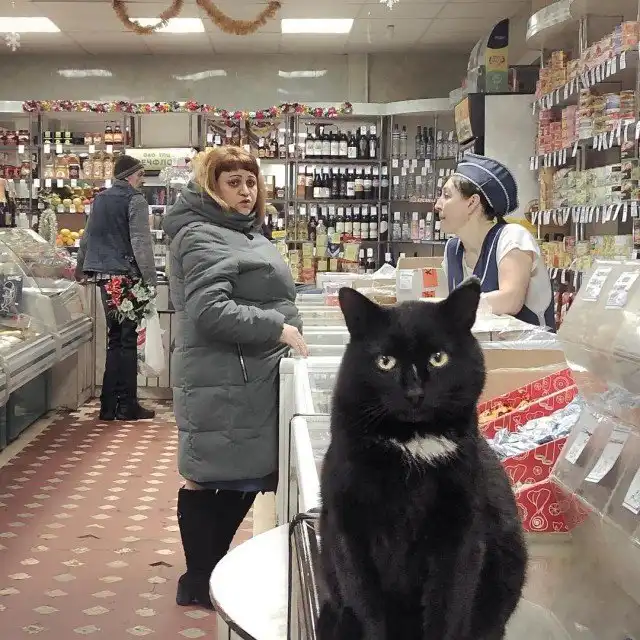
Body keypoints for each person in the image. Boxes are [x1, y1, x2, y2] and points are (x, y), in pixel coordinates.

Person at [162, 146, 308, 609]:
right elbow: (209, 310)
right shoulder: (201, 234)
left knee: (236, 474)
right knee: (212, 477)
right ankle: (199, 580)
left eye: (250, 181)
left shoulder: (238, 230)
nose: (246, 191)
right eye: (233, 182)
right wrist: (276, 326)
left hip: (244, 373)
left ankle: (203, 575)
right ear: (211, 187)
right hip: (224, 374)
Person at [75, 155, 157, 420]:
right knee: (128, 340)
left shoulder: (100, 199)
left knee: (115, 339)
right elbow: (141, 244)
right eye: (140, 175)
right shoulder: (135, 200)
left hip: (104, 277)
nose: (142, 180)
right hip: (125, 277)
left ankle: (108, 406)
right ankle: (127, 405)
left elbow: (87, 237)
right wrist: (150, 280)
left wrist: (80, 268)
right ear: (130, 175)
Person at [435, 153, 555, 330]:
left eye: (446, 195)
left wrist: (446, 308)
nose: (437, 205)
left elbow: (511, 299)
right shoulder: (453, 250)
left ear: (472, 203)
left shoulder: (512, 237)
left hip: (528, 347)